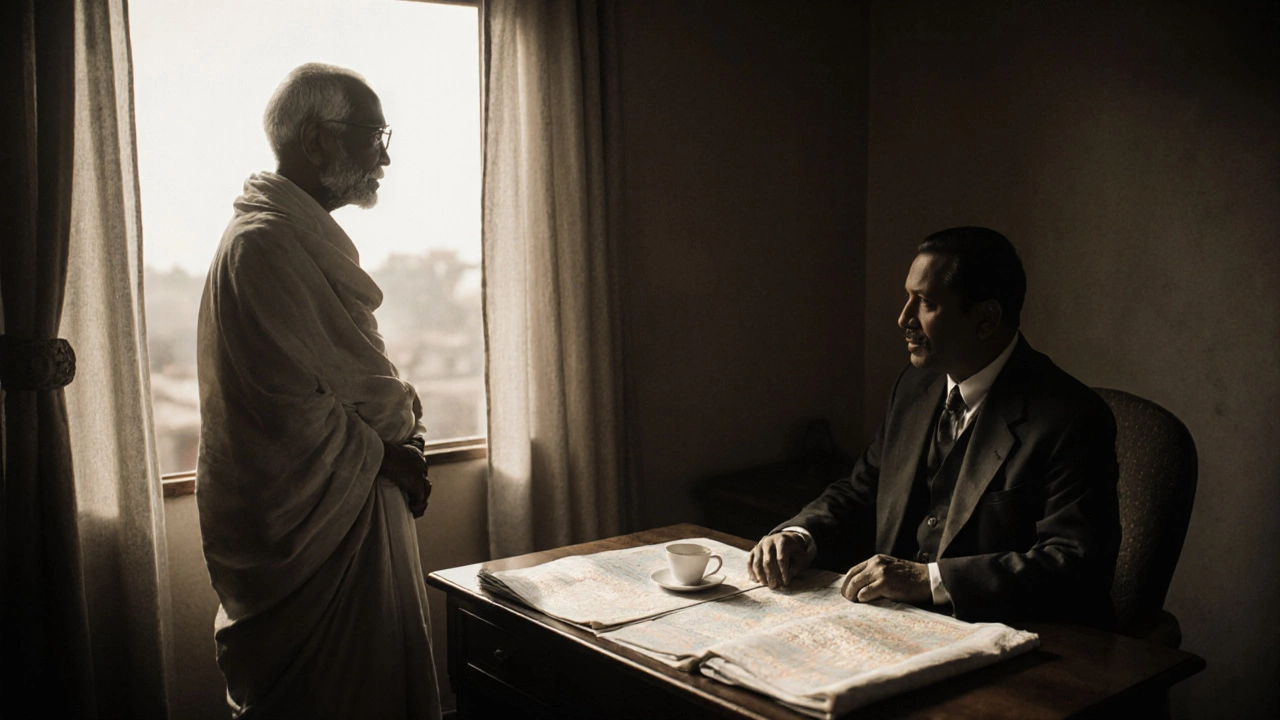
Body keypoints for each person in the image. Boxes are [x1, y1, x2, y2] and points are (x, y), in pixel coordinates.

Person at [196, 63, 440, 719]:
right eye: (374, 135)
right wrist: (389, 451)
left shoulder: (281, 236)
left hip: (342, 512)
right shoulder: (264, 245)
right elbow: (296, 416)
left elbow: (351, 387)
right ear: (316, 140)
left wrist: (399, 439)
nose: (385, 156)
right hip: (308, 534)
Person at [748, 227, 1120, 627]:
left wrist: (930, 581)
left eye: (925, 302)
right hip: (890, 625)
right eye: (908, 297)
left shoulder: (1073, 417)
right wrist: (800, 535)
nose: (904, 318)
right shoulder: (913, 387)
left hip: (1005, 638)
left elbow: (1075, 563)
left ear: (986, 319)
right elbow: (863, 491)